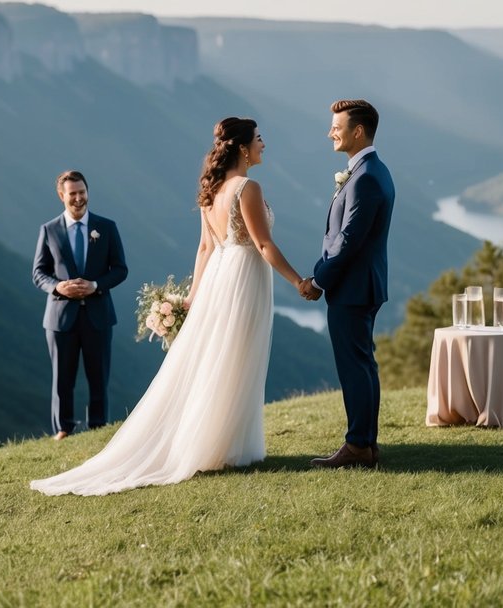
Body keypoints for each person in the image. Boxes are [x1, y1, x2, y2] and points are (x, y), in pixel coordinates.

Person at [31, 118, 312, 496]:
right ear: (243, 148)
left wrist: (195, 298)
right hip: (243, 279)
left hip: (220, 280)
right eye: (259, 139)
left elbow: (205, 249)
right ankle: (226, 447)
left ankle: (223, 444)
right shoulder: (248, 187)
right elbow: (262, 246)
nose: (264, 145)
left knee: (222, 359)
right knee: (237, 358)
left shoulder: (212, 190)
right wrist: (299, 282)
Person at [301, 99, 395, 469]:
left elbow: (348, 239)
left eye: (336, 127)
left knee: (354, 367)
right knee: (363, 365)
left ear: (358, 131)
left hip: (354, 288)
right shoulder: (372, 170)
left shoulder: (367, 176)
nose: (330, 133)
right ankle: (366, 444)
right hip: (362, 285)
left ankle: (358, 445)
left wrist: (318, 280)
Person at [32, 170, 129, 440]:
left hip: (98, 314)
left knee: (99, 376)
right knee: (62, 379)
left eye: (82, 192)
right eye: (72, 194)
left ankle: (98, 426)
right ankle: (63, 428)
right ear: (61, 196)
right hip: (60, 318)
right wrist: (57, 287)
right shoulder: (48, 230)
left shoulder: (106, 227)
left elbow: (120, 269)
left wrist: (96, 285)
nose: (78, 198)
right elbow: (38, 273)